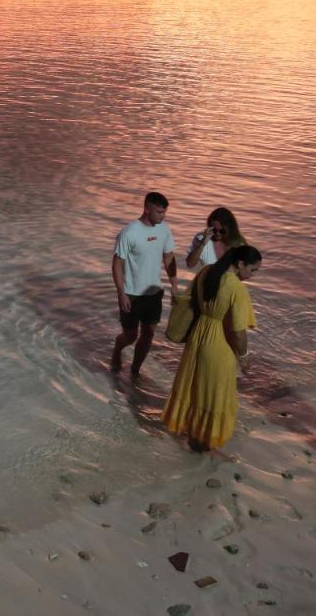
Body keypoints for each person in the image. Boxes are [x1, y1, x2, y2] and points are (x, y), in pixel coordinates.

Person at [162, 245, 262, 451]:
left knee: (194, 389)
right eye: (252, 270)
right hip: (218, 346)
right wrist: (244, 356)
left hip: (197, 338)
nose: (252, 276)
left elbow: (189, 301)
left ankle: (192, 437)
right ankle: (204, 447)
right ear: (240, 264)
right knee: (214, 396)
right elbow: (238, 332)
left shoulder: (207, 272)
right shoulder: (236, 288)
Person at [110, 191, 177, 377]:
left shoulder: (164, 229)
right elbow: (117, 264)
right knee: (130, 336)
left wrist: (174, 287)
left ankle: (135, 371)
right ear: (147, 209)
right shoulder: (129, 233)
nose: (163, 216)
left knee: (149, 334)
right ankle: (117, 349)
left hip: (154, 293)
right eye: (159, 212)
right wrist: (121, 293)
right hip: (132, 293)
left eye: (164, 212)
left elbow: (169, 258)